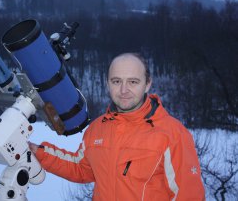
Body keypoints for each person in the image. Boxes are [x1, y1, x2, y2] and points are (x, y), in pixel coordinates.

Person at [29, 52, 205, 201]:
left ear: (147, 84)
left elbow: (189, 195)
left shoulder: (172, 134)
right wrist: (39, 152)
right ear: (107, 83)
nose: (123, 90)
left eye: (133, 82)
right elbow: (81, 168)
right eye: (116, 81)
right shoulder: (97, 128)